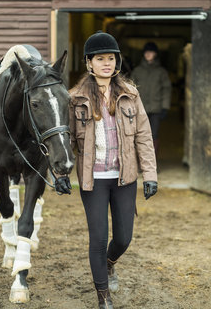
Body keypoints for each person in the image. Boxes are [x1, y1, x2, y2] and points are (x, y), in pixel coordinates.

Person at [69, 31, 157, 309]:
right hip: (93, 180)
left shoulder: (130, 95)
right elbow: (67, 139)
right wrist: (60, 175)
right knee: (97, 238)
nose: (106, 63)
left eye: (110, 58)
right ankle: (103, 297)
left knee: (123, 237)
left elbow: (143, 135)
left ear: (116, 61)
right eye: (100, 58)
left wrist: (150, 175)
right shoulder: (75, 99)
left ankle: (109, 263)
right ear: (89, 63)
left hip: (124, 178)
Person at [131, 42, 172, 156]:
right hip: (140, 109)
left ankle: (152, 164)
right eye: (146, 52)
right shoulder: (137, 71)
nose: (148, 54)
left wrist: (165, 107)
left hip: (156, 109)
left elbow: (166, 89)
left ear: (155, 54)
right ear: (143, 54)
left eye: (151, 52)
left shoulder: (161, 72)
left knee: (153, 136)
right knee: (140, 135)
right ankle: (140, 163)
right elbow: (130, 90)